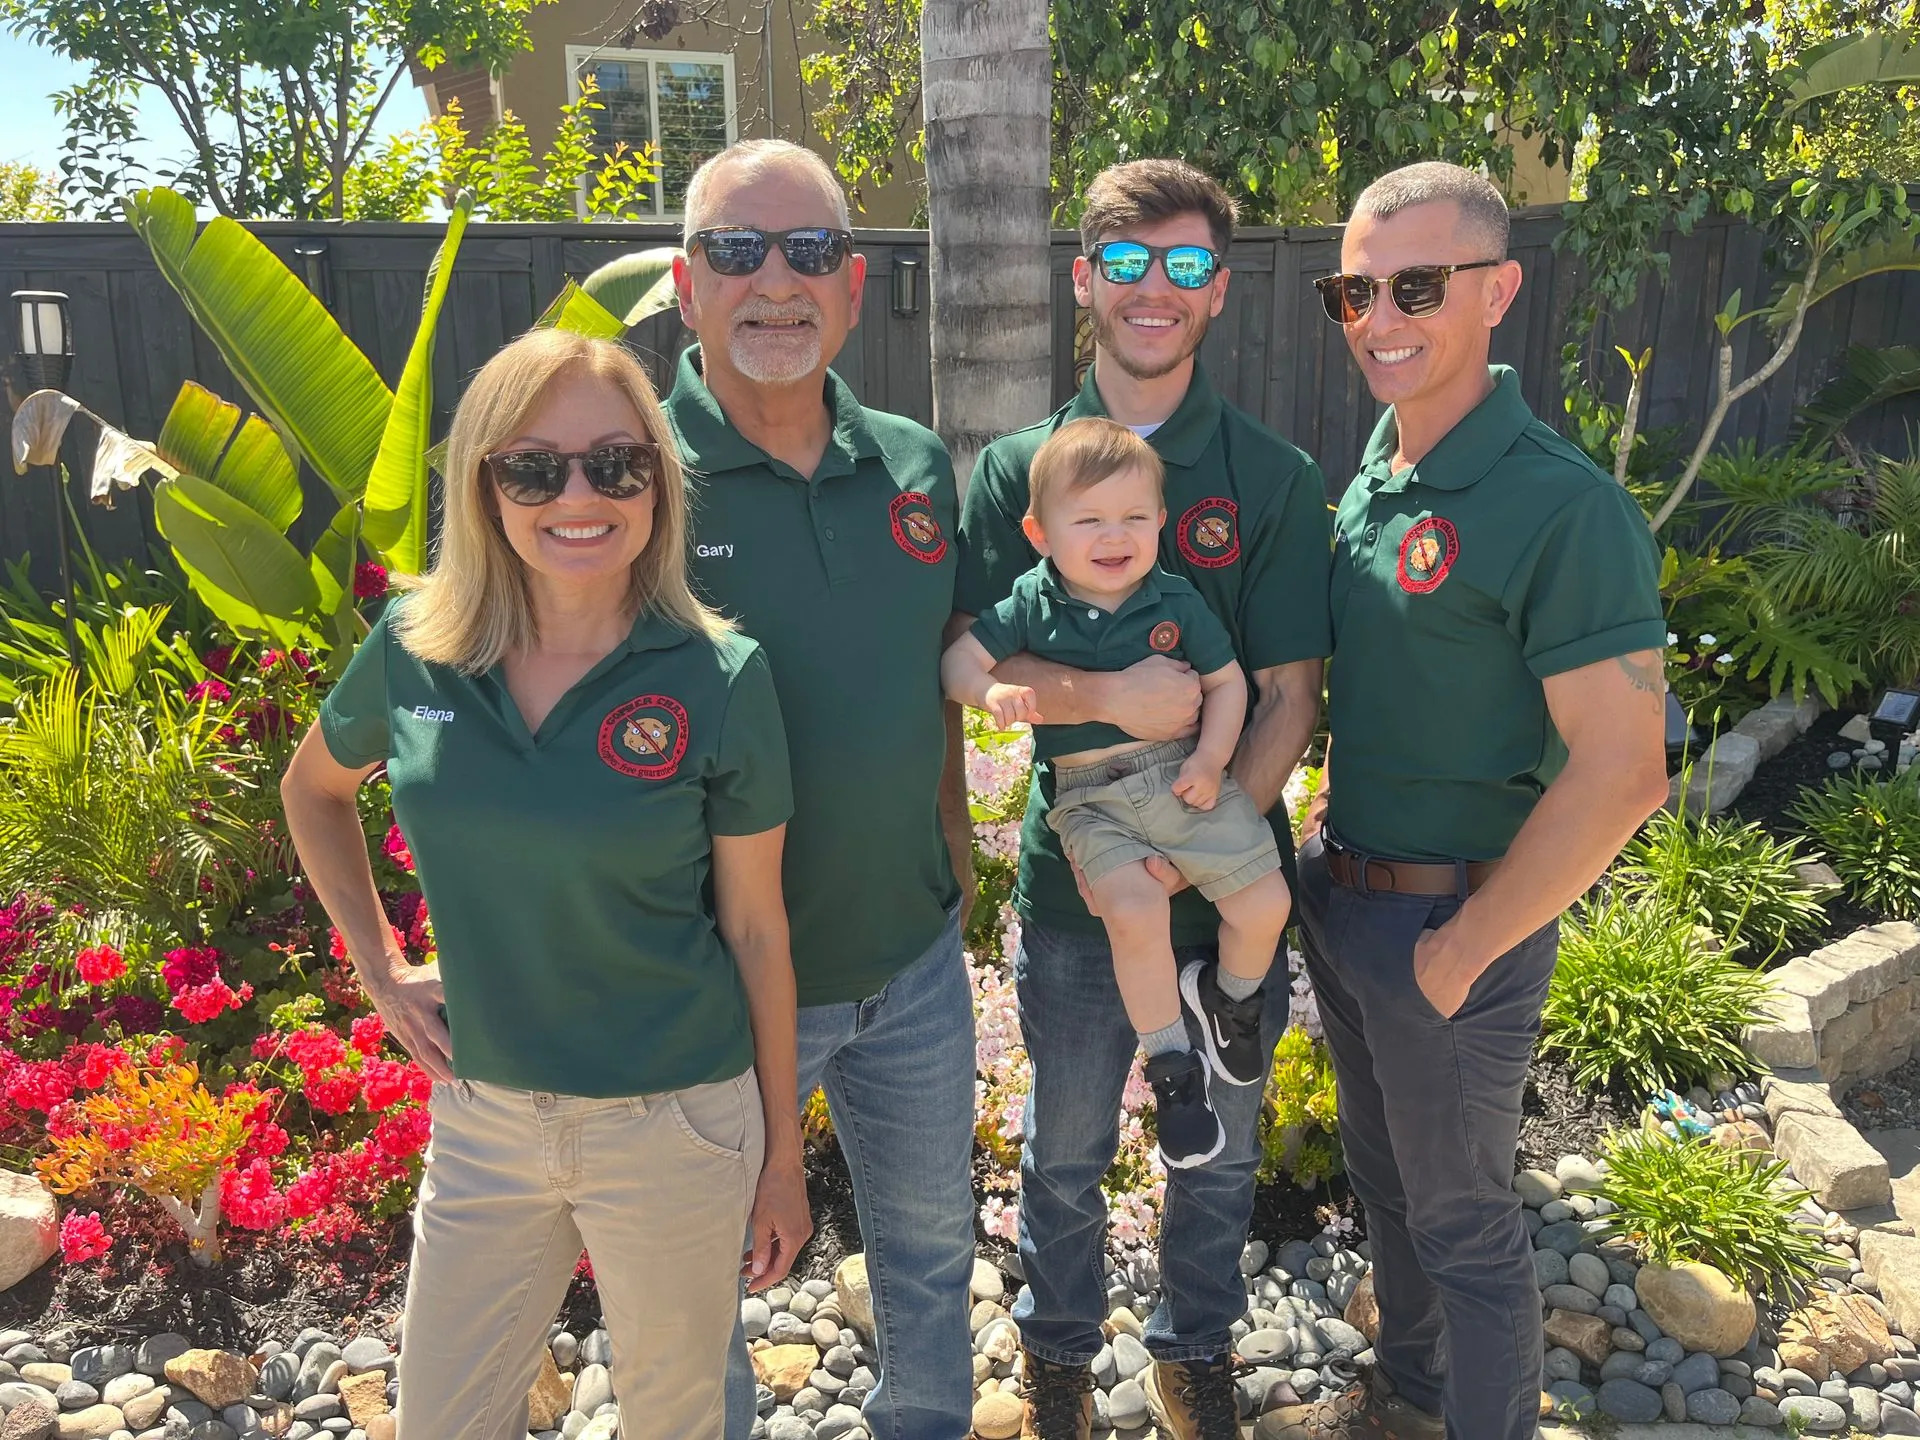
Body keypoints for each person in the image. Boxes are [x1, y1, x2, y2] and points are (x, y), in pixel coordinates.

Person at [279, 328, 810, 1440]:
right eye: (535, 466)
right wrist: (380, 967)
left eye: (617, 464)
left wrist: (780, 1163)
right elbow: (313, 791)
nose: (579, 495)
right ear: (485, 483)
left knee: (676, 1421)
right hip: (483, 1122)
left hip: (676, 1123)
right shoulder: (414, 651)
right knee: (444, 1420)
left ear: (659, 486)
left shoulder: (719, 678)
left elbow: (758, 934)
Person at [1270, 161, 1669, 1440]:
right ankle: (1412, 1395)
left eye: (1418, 286)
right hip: (1348, 901)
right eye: (1357, 289)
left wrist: (1461, 951)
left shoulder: (1560, 505)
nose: (1380, 317)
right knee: (1389, 1192)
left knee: (1470, 1230)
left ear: (1497, 292)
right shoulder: (1374, 480)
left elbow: (1624, 769)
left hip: (1454, 927)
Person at [955, 158, 1332, 1440]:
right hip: (1078, 889)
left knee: (1217, 1156)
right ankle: (1057, 1356)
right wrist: (1105, 701)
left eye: (1183, 266)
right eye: (1126, 264)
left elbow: (1284, 693)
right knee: (1063, 1154)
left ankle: (1194, 1353)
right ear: (1085, 282)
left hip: (1225, 878)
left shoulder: (1271, 477)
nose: (1153, 290)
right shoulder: (1017, 470)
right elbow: (977, 662)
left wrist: (1196, 831)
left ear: (1219, 289)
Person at [662, 139, 977, 1440]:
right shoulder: (629, 486)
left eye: (811, 252)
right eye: (739, 251)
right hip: (709, 994)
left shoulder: (913, 464)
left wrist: (958, 874)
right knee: (702, 1300)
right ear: (688, 287)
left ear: (853, 287)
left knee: (931, 1263)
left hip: (911, 966)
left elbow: (940, 687)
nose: (776, 280)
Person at [942, 417, 1290, 1170]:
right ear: (1039, 532)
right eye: (1089, 519)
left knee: (1267, 904)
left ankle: (1228, 1000)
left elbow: (1227, 684)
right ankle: (1172, 1069)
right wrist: (991, 687)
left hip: (1179, 772)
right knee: (1135, 909)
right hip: (1090, 796)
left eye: (1135, 517)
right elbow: (958, 663)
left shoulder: (1175, 602)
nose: (1114, 536)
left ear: (1161, 522)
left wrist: (1211, 757)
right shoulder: (1031, 604)